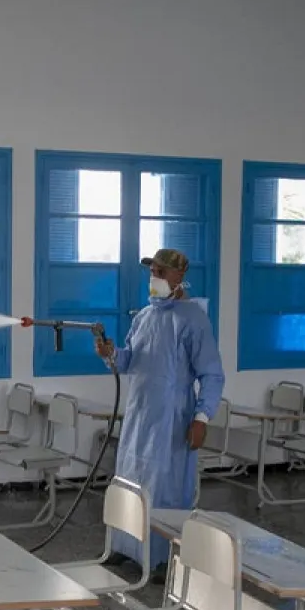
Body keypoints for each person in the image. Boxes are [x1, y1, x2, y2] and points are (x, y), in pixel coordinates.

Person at [96, 248, 225, 585]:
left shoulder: (192, 319)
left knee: (164, 490)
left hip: (171, 419)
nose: (154, 279)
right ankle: (125, 548)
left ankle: (161, 559)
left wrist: (202, 418)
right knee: (129, 481)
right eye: (152, 272)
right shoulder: (143, 317)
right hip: (139, 417)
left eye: (161, 273)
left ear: (179, 277)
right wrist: (111, 354)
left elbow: (212, 374)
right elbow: (131, 362)